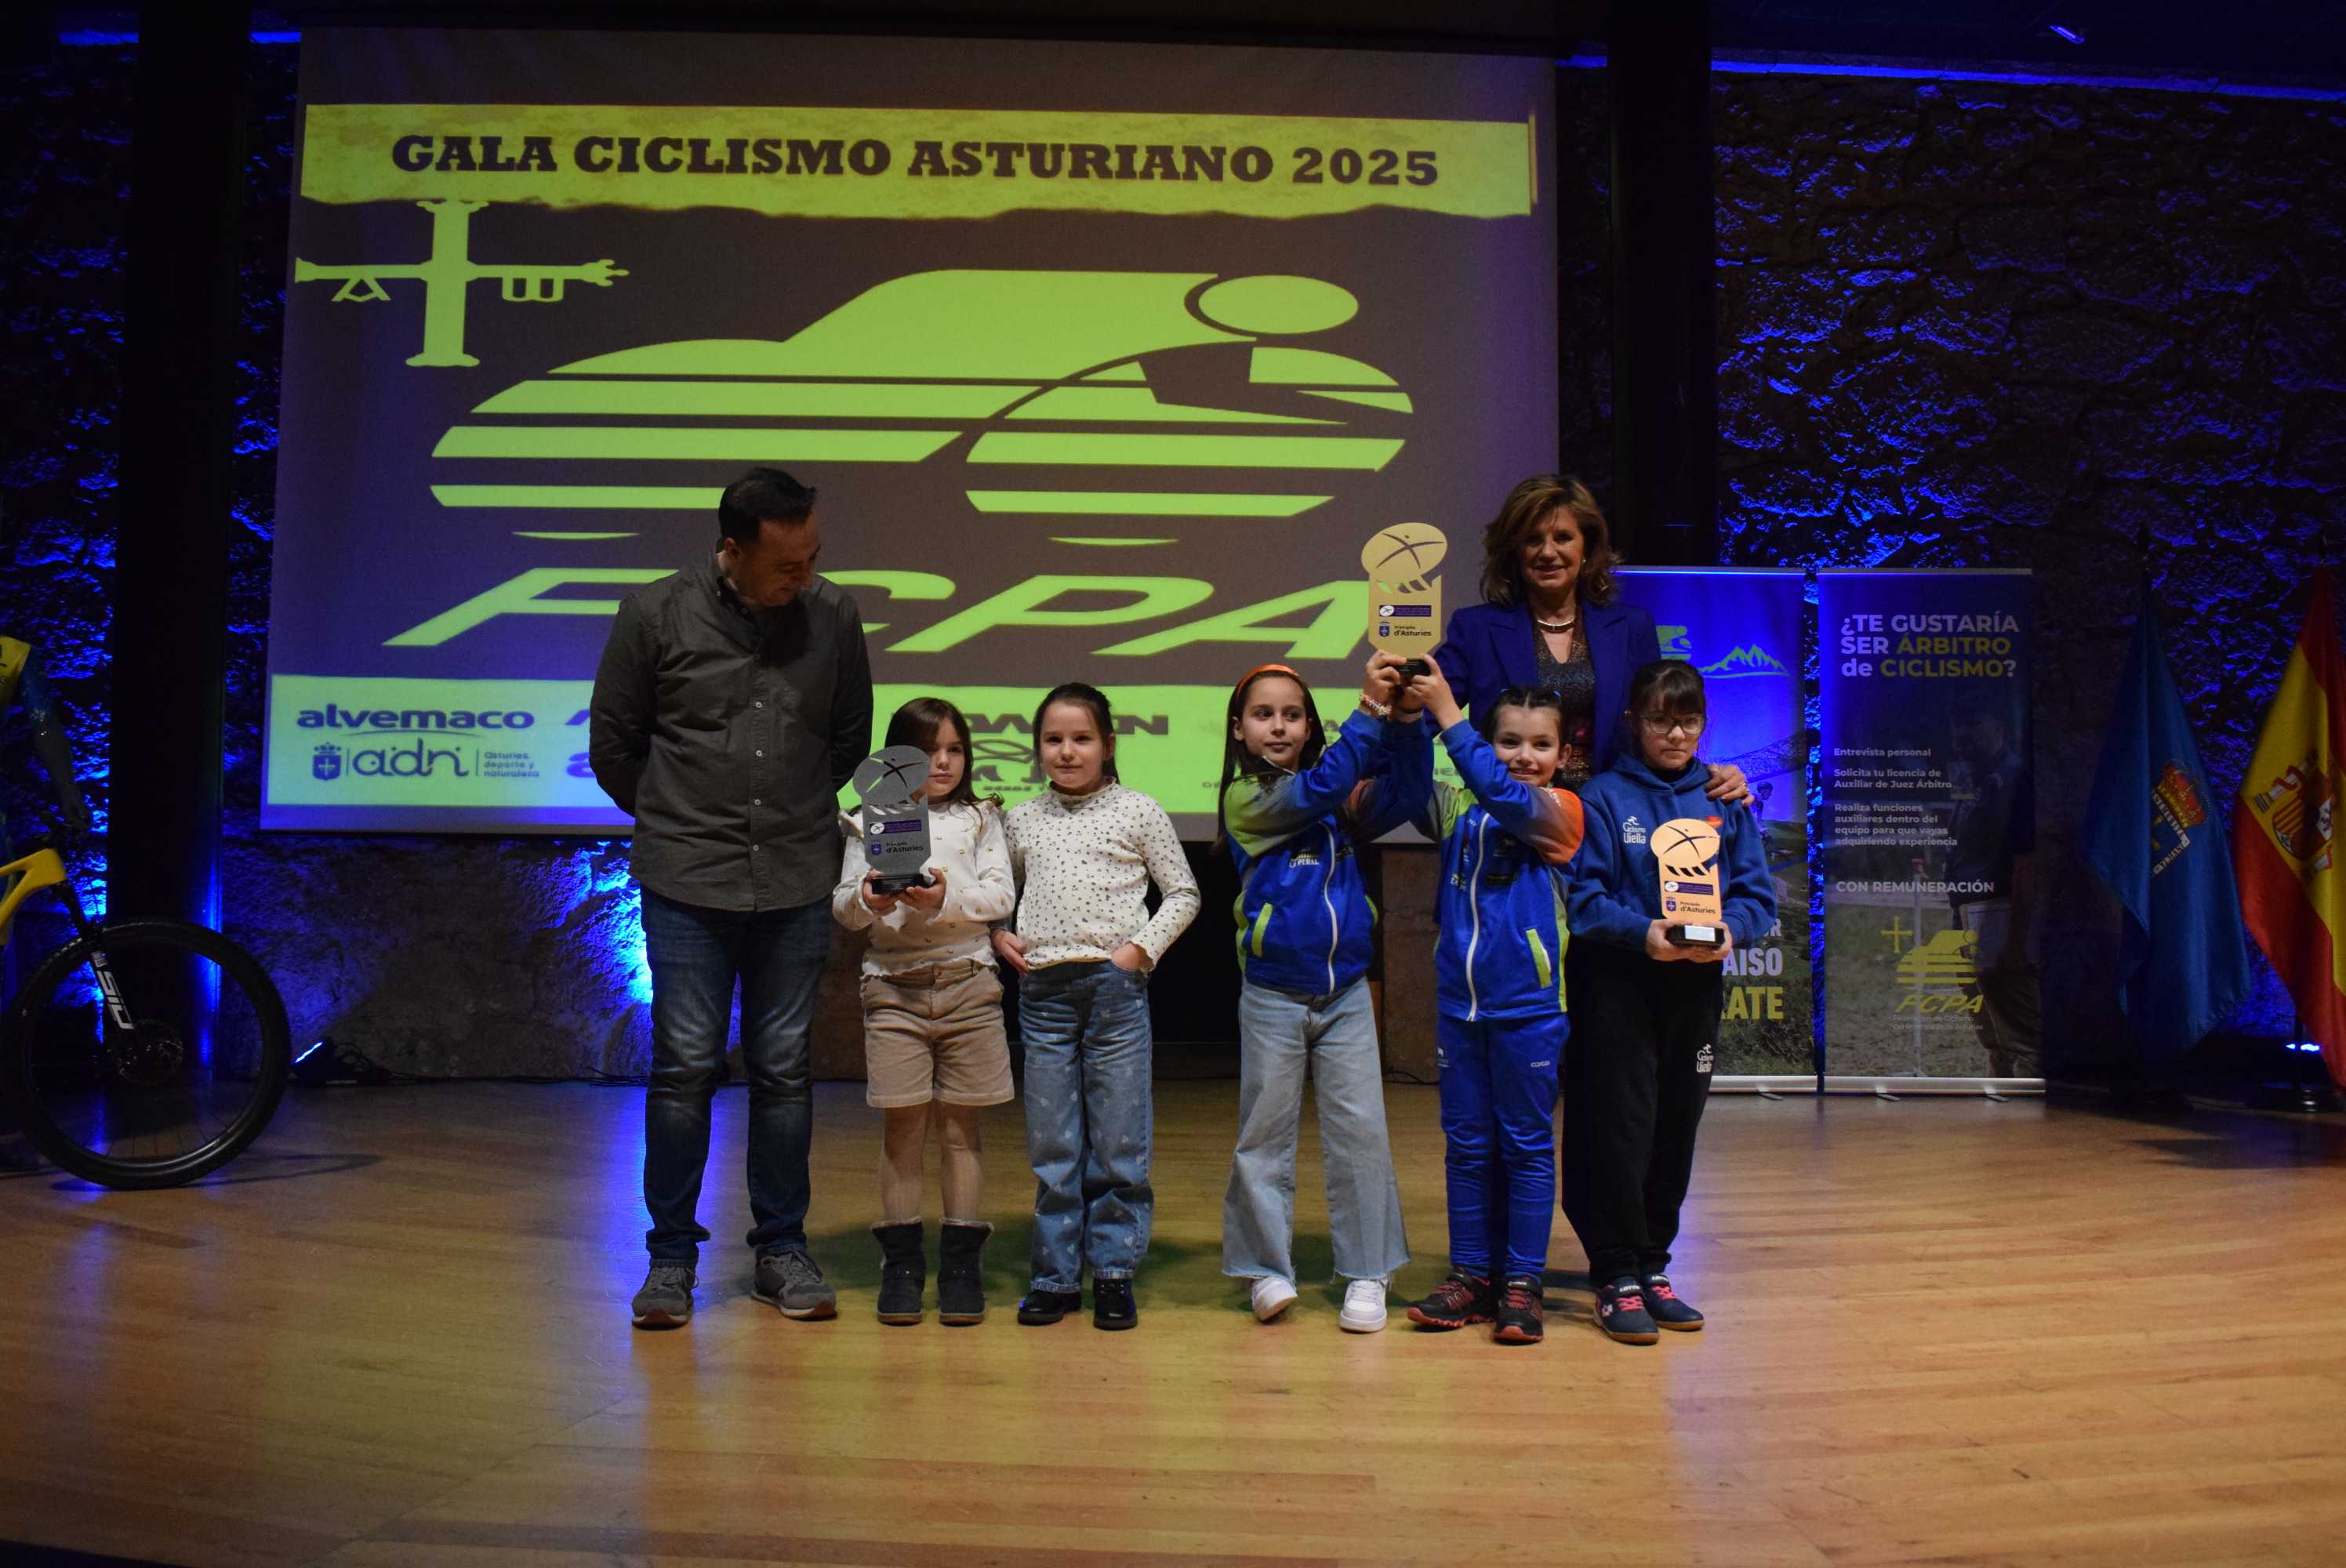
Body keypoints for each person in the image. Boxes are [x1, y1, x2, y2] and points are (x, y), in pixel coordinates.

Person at [589, 467, 872, 1330]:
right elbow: (615, 745)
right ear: (733, 550)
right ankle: (670, 1258)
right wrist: (684, 820)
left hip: (792, 877)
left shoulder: (834, 615)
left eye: (812, 557)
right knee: (682, 1069)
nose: (804, 576)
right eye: (786, 563)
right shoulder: (654, 613)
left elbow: (850, 739)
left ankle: (780, 1248)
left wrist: (791, 819)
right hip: (687, 880)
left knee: (784, 1071)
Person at [1563, 660, 1776, 1344]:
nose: (1675, 733)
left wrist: (1729, 933)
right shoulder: (1602, 797)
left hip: (1695, 986)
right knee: (1618, 1127)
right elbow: (1585, 901)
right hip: (1620, 984)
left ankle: (1654, 1265)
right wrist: (1643, 934)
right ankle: (1615, 1271)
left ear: (1703, 723)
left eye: (1687, 719)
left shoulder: (1724, 799)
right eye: (1660, 719)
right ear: (1634, 722)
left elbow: (1756, 898)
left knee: (1675, 1128)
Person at [1217, 654, 1431, 1332]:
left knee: (1361, 1133)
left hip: (1343, 998)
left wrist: (1404, 718)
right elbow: (1315, 792)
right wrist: (1368, 711)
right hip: (1273, 995)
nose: (1278, 726)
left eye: (1291, 714)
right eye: (1263, 715)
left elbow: (1406, 788)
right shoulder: (1247, 800)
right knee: (1264, 1137)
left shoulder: (1340, 794)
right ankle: (1266, 1270)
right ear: (1238, 729)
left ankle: (1368, 1272)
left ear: (1310, 726)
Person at [993, 683, 1199, 1331]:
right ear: (1038, 750)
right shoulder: (1021, 819)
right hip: (1043, 996)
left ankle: (1112, 1271)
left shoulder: (1138, 811)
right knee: (1054, 1143)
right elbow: (998, 896)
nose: (1067, 751)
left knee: (1118, 1142)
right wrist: (1000, 933)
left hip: (1115, 993)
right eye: (1053, 740)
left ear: (1108, 744)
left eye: (1081, 738)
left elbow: (1184, 893)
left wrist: (1139, 951)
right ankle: (1055, 1276)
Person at [1399, 664, 1588, 1346]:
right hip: (1460, 1010)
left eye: (1540, 744)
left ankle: (1522, 1283)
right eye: (1509, 741)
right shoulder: (1459, 810)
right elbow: (1415, 785)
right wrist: (1403, 716)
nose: (1524, 756)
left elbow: (1505, 795)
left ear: (1563, 755)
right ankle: (1472, 1276)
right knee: (1469, 1148)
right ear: (1490, 740)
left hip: (1532, 1012)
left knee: (1528, 1147)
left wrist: (1449, 712)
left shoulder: (1563, 812)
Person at [833, 698, 1015, 1327]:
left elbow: (1000, 895)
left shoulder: (982, 817)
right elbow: (844, 909)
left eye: (955, 750)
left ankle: (962, 1265)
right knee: (903, 1129)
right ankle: (903, 1265)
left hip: (970, 985)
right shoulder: (870, 818)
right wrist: (872, 897)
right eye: (927, 751)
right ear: (895, 757)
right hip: (893, 989)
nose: (943, 762)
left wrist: (943, 897)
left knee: (963, 1130)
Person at [1429, 474, 1748, 802]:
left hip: (1613, 822)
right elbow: (1420, 715)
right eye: (1533, 540)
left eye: (1563, 537)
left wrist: (1707, 775)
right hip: (1512, 821)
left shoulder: (1631, 627)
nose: (1548, 552)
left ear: (1587, 547)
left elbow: (1657, 727)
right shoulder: (1476, 629)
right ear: (1515, 552)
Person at [1948, 701, 2040, 1078]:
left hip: (1998, 913)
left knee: (2019, 1022)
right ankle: (2002, 1092)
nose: (1964, 734)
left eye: (1974, 721)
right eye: (1960, 724)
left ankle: (2030, 1109)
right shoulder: (1977, 777)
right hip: (1968, 908)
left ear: (1999, 725)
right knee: (1986, 1018)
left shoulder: (2013, 778)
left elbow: (2026, 862)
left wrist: (2016, 940)